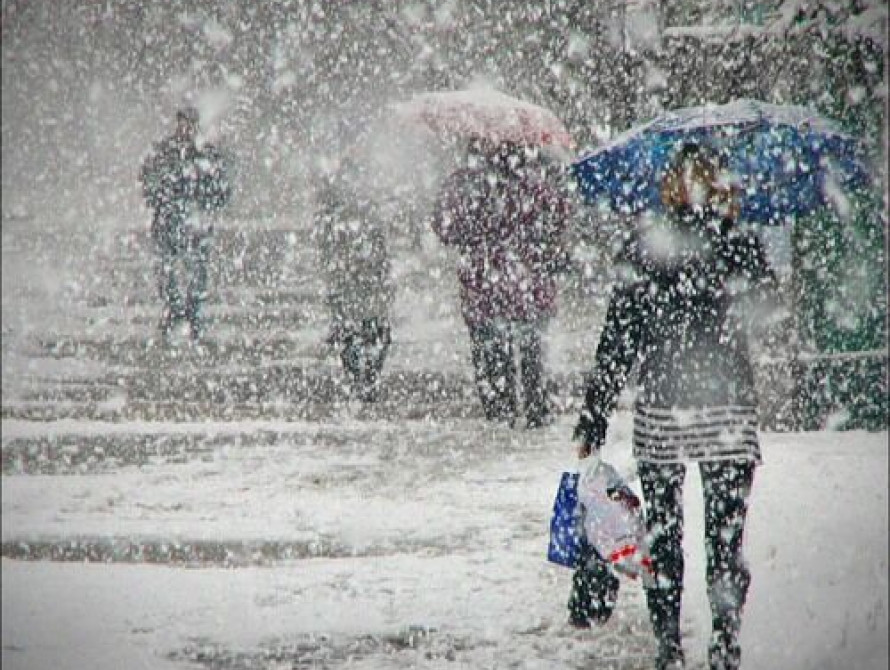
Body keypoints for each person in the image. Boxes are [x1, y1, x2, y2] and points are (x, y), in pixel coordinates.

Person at [571, 143, 778, 670]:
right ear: (720, 184)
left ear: (671, 186)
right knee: (725, 537)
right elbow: (765, 312)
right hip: (727, 408)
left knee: (665, 532)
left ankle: (668, 644)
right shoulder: (740, 245)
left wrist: (594, 414)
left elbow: (618, 338)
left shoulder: (645, 246)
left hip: (664, 408)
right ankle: (725, 641)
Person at [429, 139, 571, 428]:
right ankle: (534, 408)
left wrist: (473, 234)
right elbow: (558, 219)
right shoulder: (535, 182)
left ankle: (500, 410)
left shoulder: (464, 185)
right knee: (531, 348)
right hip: (528, 281)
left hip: (484, 283)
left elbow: (444, 228)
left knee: (490, 350)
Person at [140, 106, 231, 342]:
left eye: (189, 124)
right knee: (167, 271)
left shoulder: (206, 154)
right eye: (182, 123)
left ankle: (192, 316)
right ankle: (175, 311)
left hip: (195, 225)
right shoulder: (164, 152)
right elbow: (147, 184)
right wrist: (164, 197)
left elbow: (221, 191)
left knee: (197, 272)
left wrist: (202, 200)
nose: (185, 128)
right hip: (168, 222)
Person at [313, 153, 394, 403]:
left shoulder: (362, 211)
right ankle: (362, 377)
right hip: (351, 281)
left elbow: (380, 247)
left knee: (366, 331)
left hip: (360, 281)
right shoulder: (338, 212)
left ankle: (363, 377)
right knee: (360, 331)